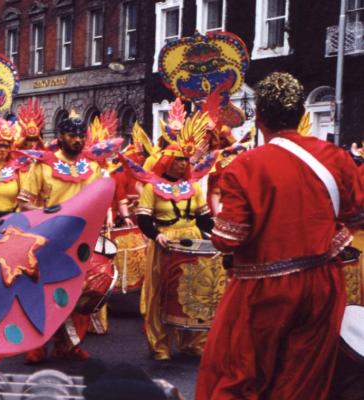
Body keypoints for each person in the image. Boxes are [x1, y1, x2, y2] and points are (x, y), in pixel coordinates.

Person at [196, 72, 364, 399]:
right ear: (302, 115)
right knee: (303, 376)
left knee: (240, 374)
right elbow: (356, 215)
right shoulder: (337, 158)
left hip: (262, 290)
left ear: (259, 118)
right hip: (320, 281)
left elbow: (229, 239)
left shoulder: (245, 167)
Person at [18, 115, 105, 362]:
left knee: (80, 292)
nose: (77, 140)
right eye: (71, 135)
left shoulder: (93, 167)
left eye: (80, 136)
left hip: (82, 239)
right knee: (43, 292)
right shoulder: (43, 166)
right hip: (49, 237)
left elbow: (100, 198)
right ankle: (36, 346)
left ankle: (70, 344)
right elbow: (25, 202)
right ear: (60, 137)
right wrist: (45, 220)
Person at [133, 111, 218, 360]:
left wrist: (219, 234)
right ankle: (160, 345)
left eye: (186, 160)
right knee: (161, 293)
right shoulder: (152, 187)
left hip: (192, 240)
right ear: (169, 161)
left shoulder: (192, 188)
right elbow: (144, 219)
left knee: (193, 290)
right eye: (180, 159)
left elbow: (204, 218)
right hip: (165, 243)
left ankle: (193, 342)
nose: (184, 164)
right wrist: (156, 235)